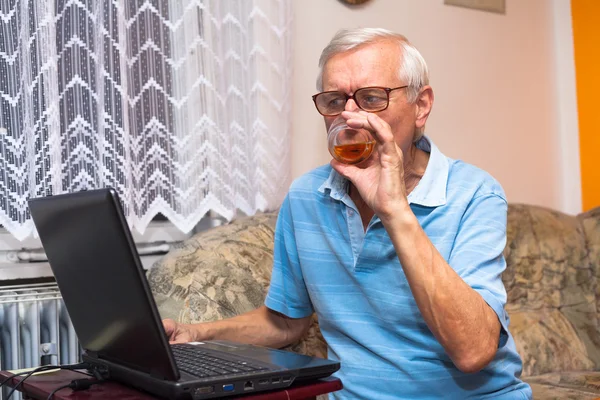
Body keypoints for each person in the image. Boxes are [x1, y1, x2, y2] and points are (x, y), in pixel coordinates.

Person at [164, 28, 532, 399]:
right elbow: (286, 323)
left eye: (371, 98)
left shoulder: (474, 193)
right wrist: (197, 334)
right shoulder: (306, 197)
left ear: (421, 106)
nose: (350, 115)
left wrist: (394, 211)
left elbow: (474, 351)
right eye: (335, 100)